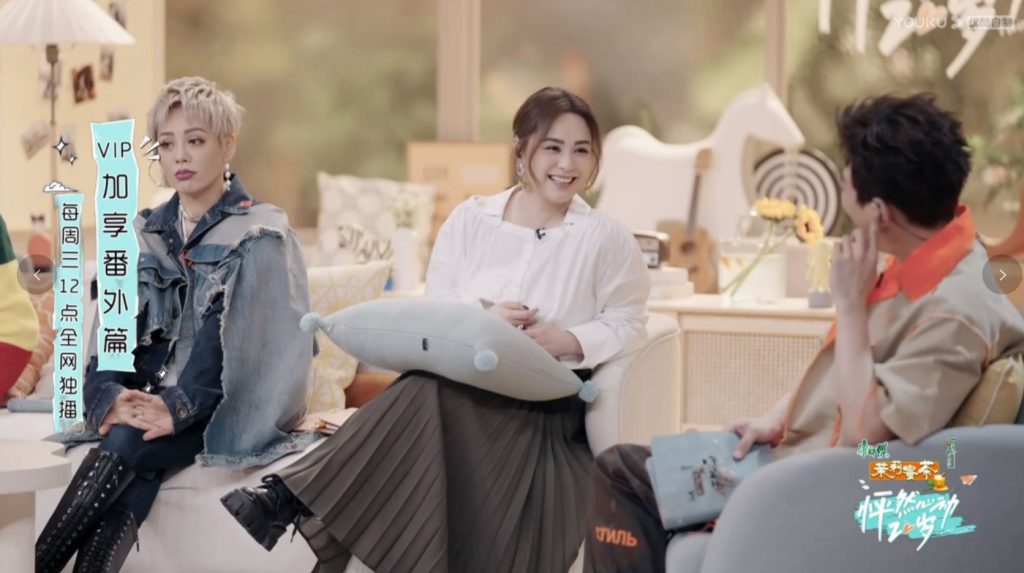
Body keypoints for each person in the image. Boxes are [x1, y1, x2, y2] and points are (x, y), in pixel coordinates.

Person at [583, 93, 1024, 573]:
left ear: (879, 211)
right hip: (795, 456)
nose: (841, 184)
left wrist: (850, 307)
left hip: (822, 489)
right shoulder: (928, 257)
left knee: (624, 475)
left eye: (846, 177)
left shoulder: (955, 311)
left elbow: (867, 438)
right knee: (631, 471)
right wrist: (777, 417)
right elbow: (855, 370)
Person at [221, 86, 651, 572]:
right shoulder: (471, 219)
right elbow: (440, 309)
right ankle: (287, 499)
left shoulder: (604, 237)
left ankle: (287, 498)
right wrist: (483, 322)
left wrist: (568, 340)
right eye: (553, 147)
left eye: (581, 150)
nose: (567, 164)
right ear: (521, 150)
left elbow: (629, 319)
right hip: (460, 389)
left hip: (540, 415)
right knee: (428, 386)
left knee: (424, 390)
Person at [36, 76, 315, 573]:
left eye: (196, 140)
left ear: (227, 145)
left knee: (128, 441)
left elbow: (234, 347)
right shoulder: (144, 231)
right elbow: (113, 326)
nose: (180, 156)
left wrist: (176, 407)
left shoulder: (261, 233)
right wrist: (109, 396)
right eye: (166, 144)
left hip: (222, 408)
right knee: (134, 455)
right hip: (150, 401)